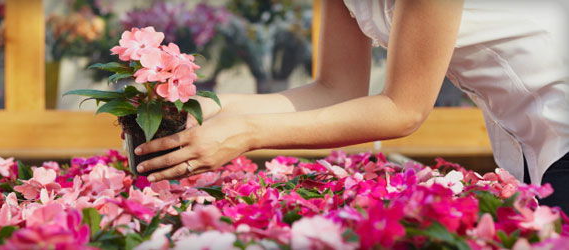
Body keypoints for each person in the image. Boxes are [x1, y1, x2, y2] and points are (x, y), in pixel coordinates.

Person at [133, 0, 569, 209]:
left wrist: (248, 134)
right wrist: (205, 107)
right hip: (524, 138)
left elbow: (403, 109)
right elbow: (335, 89)